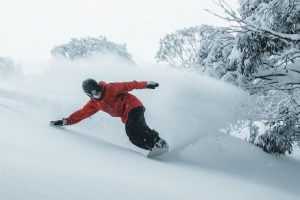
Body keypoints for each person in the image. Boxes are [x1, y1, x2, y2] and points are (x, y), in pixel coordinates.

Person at [50, 78, 168, 151]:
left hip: (133, 106)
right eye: (95, 92)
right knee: (134, 135)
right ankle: (156, 146)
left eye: (99, 89)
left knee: (132, 130)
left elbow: (129, 85)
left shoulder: (110, 88)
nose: (99, 93)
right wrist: (65, 121)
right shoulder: (94, 104)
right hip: (126, 115)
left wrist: (146, 84)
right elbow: (82, 114)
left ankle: (158, 142)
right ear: (89, 95)